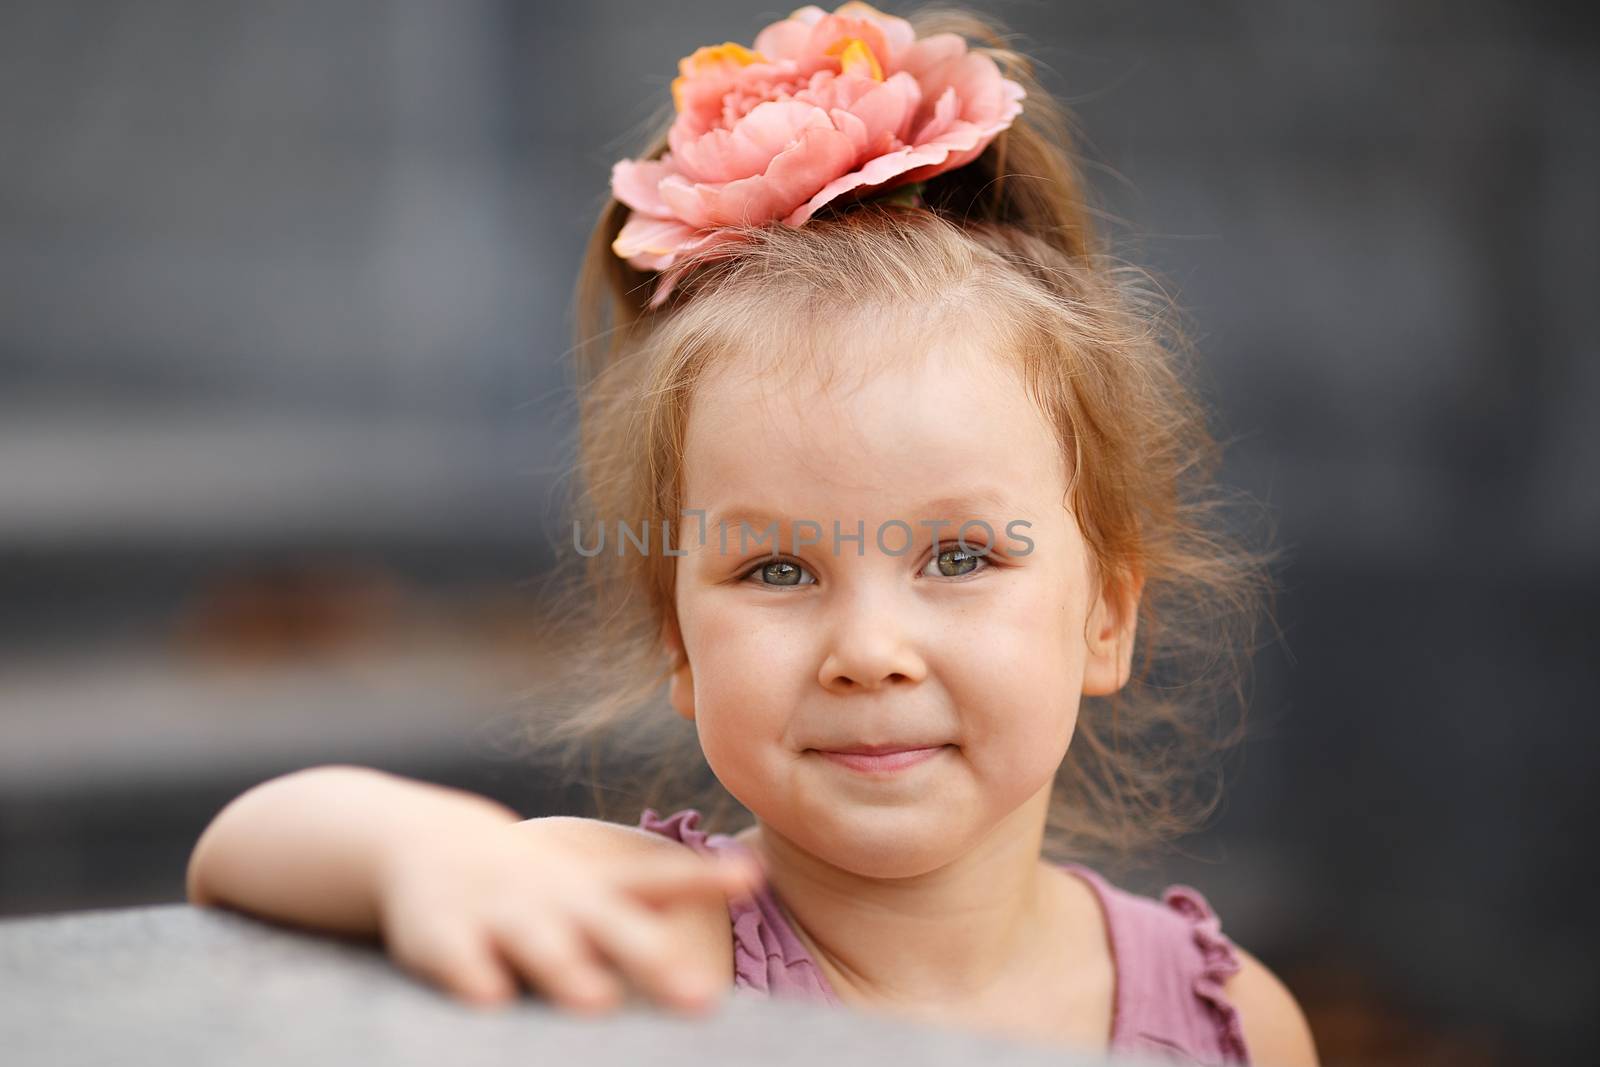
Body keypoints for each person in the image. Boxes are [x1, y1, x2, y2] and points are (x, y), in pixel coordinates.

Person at [186, 4, 1318, 1064]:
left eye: (962, 556)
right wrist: (432, 853)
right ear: (678, 637)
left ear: (1105, 614)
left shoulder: (1235, 1023)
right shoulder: (656, 941)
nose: (869, 648)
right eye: (776, 567)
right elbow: (244, 844)